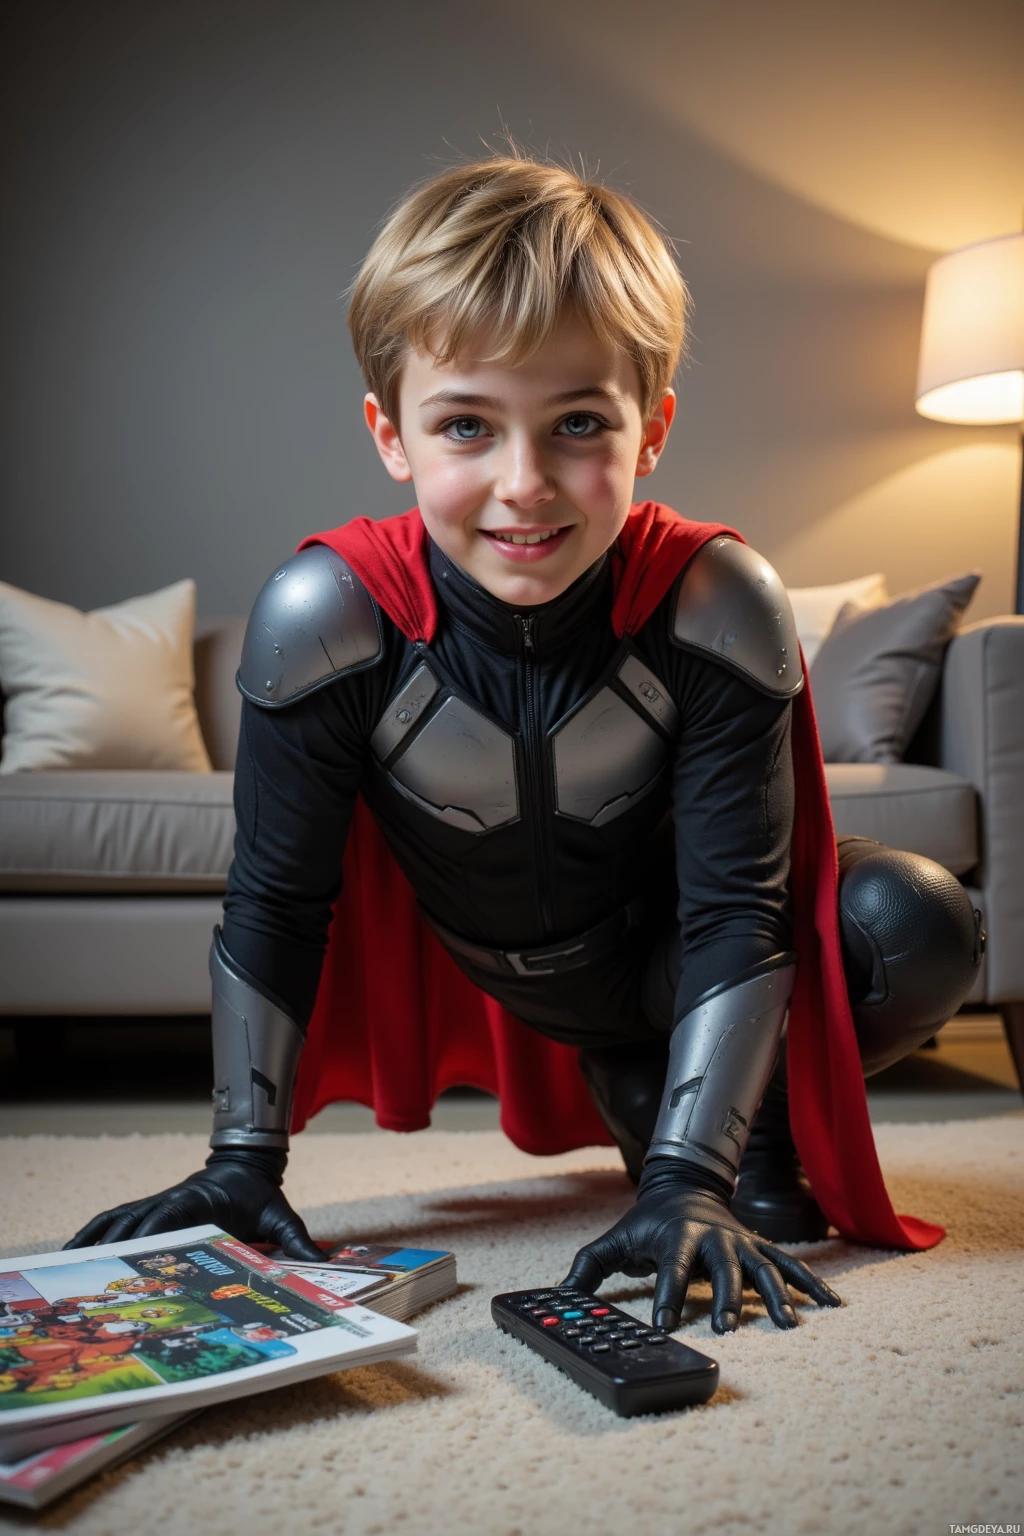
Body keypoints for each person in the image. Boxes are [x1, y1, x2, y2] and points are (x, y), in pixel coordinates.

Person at [68, 156, 982, 1336]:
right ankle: (644, 1094)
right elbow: (277, 902)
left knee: (915, 922)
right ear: (389, 434)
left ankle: (717, 1135)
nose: (523, 484)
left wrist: (690, 1179)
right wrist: (244, 1159)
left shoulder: (715, 600)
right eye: (464, 424)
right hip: (530, 985)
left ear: (650, 429)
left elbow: (736, 912)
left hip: (675, 955)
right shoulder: (328, 616)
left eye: (578, 424)